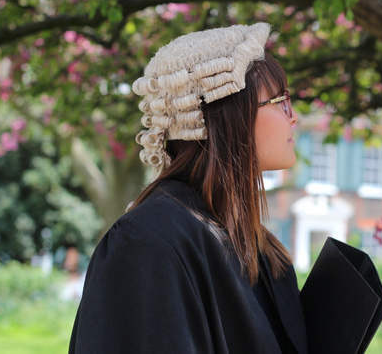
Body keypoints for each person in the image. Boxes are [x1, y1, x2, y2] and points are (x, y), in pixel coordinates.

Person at [69, 23, 307, 354]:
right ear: (226, 115)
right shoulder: (147, 243)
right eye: (279, 100)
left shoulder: (255, 245)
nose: (292, 116)